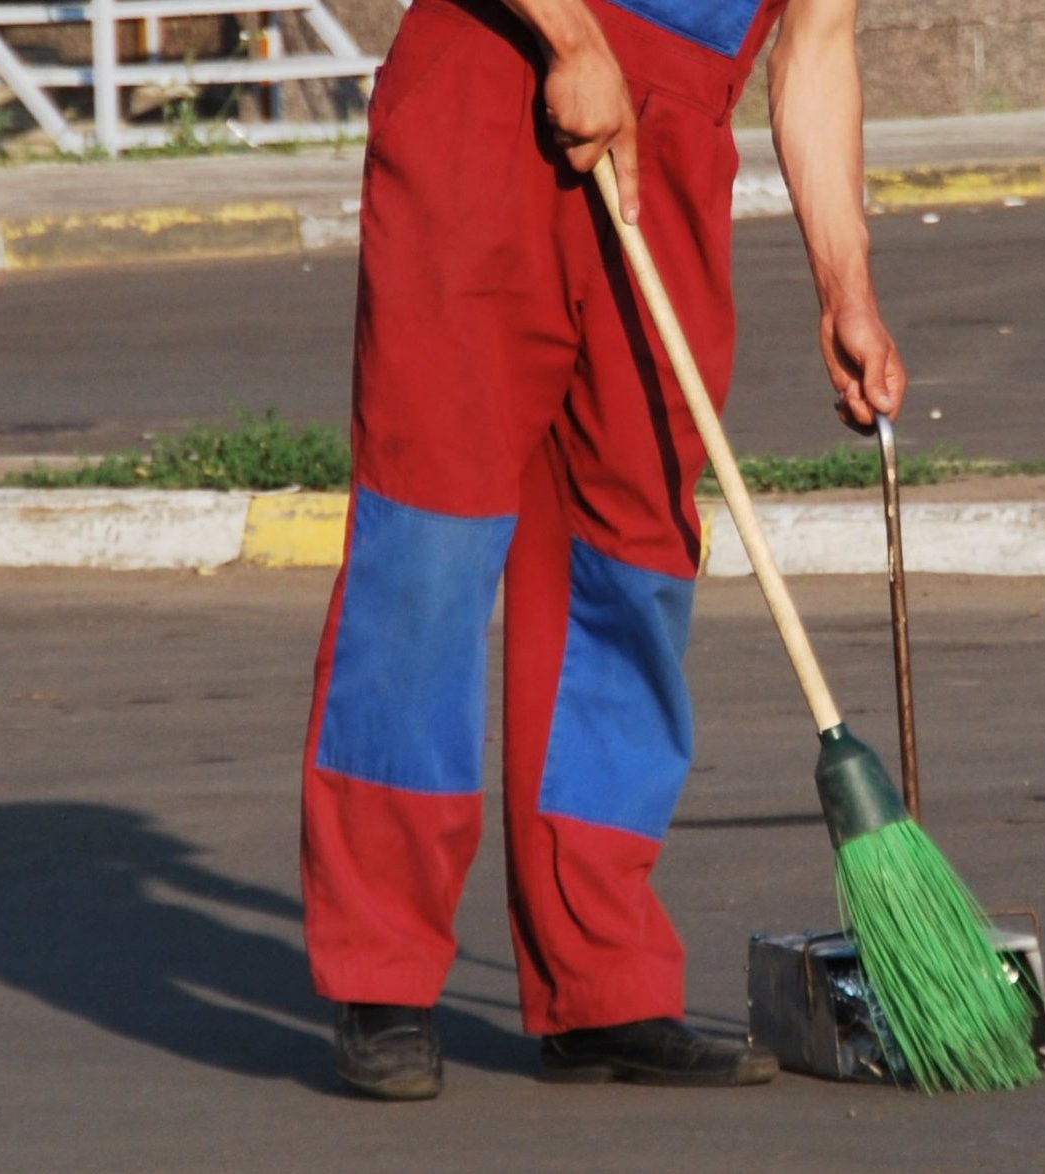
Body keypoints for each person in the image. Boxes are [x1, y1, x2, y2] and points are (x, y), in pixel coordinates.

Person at [301, 0, 907, 1101]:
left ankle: (601, 980)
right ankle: (383, 969)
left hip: (675, 146)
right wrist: (574, 42)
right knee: (428, 542)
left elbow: (817, 46)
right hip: (497, 81)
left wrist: (846, 286)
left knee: (629, 557)